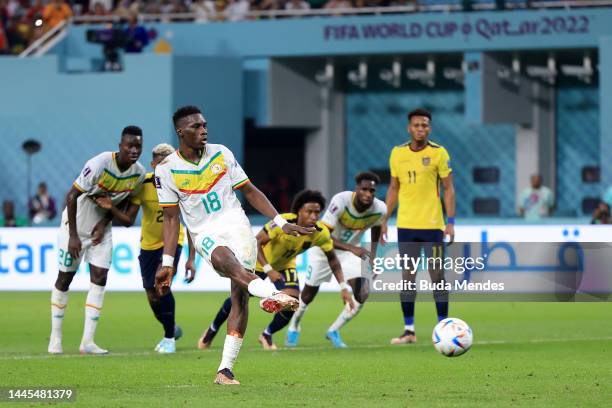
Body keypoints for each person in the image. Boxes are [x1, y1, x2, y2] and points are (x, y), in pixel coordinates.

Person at [154, 105, 311, 385]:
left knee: (239, 296)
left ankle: (225, 370)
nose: (204, 130)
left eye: (205, 125)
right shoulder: (166, 170)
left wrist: (279, 221)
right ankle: (272, 293)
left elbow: (249, 190)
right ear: (181, 132)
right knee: (226, 261)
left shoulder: (221, 153)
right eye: (196, 127)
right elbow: (170, 219)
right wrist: (168, 263)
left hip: (237, 225)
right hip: (204, 232)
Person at [197, 190, 353, 351]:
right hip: (258, 262)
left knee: (293, 302)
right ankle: (212, 330)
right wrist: (268, 269)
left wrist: (343, 287)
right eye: (309, 212)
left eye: (317, 213)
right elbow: (256, 242)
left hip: (285, 265)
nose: (314, 216)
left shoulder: (320, 233)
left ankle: (266, 334)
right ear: (299, 211)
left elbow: (333, 259)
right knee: (238, 300)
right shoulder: (283, 223)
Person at [48, 126, 146, 355]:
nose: (134, 150)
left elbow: (123, 206)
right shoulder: (101, 163)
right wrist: (73, 235)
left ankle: (87, 342)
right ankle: (55, 338)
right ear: (120, 145)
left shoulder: (138, 174)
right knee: (64, 279)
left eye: (138, 146)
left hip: (101, 232)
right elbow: (71, 196)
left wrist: (104, 223)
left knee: (100, 277)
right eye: (129, 145)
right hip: (75, 228)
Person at [94, 143, 196, 353]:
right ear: (153, 164)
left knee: (162, 286)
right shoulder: (144, 184)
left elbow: (193, 223)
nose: (164, 168)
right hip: (148, 245)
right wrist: (111, 208)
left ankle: (169, 339)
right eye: (160, 163)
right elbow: (128, 220)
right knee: (151, 294)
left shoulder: (185, 186)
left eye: (169, 163)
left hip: (172, 243)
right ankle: (171, 327)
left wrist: (191, 258)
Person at [381, 108, 455, 345]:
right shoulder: (397, 153)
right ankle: (409, 330)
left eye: (424, 125)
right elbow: (394, 188)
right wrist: (384, 219)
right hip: (406, 226)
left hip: (433, 226)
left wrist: (450, 222)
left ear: (429, 128)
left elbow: (448, 188)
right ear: (409, 128)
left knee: (437, 277)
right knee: (407, 278)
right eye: (416, 125)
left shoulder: (439, 153)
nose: (420, 129)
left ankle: (443, 327)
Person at [285, 172, 385, 348]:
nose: (368, 194)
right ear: (357, 189)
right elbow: (325, 236)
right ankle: (294, 326)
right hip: (323, 249)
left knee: (363, 292)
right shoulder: (341, 201)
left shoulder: (379, 209)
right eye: (364, 189)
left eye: (372, 190)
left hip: (348, 254)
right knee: (308, 295)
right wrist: (353, 248)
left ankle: (333, 330)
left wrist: (373, 256)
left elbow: (376, 228)